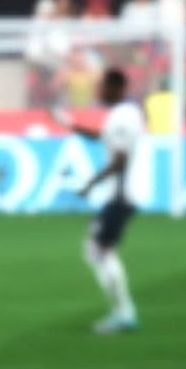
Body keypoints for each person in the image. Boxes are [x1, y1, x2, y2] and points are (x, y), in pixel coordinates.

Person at [58, 67, 144, 333]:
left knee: (99, 250)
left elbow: (120, 160)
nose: (100, 91)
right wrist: (70, 125)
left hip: (121, 195)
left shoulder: (121, 117)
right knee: (98, 249)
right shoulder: (127, 113)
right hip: (122, 195)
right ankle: (123, 311)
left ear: (116, 88)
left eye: (103, 86)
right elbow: (101, 137)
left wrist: (90, 184)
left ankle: (124, 313)